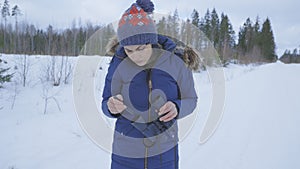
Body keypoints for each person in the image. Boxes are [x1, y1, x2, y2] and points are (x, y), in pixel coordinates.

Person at [101, 0, 198, 168]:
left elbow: (191, 99)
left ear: (151, 41)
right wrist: (110, 106)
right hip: (125, 154)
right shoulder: (118, 62)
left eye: (141, 48)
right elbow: (105, 101)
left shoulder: (174, 60)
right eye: (129, 50)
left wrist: (177, 107)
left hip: (164, 154)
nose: (135, 56)